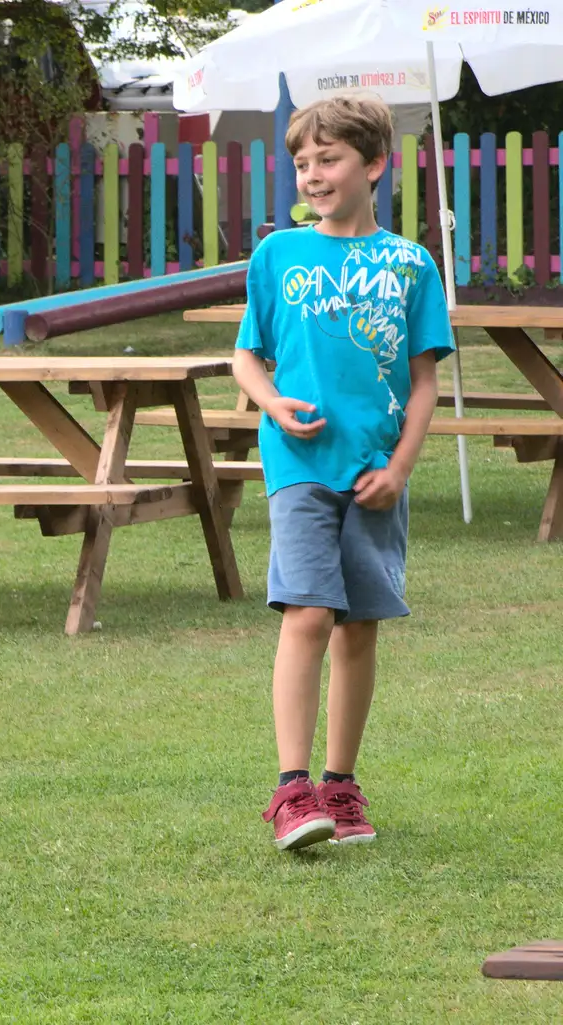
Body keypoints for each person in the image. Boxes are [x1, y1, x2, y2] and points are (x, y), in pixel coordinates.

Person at [233, 94, 454, 851]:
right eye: (303, 163)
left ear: (375, 164)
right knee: (307, 611)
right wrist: (270, 402)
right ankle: (292, 790)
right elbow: (247, 355)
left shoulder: (411, 264)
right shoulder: (277, 256)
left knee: (358, 626)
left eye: (329, 160)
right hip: (297, 464)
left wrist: (398, 469)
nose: (313, 175)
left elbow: (424, 382)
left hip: (374, 474)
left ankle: (342, 785)